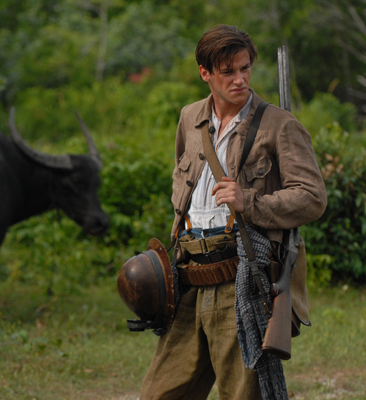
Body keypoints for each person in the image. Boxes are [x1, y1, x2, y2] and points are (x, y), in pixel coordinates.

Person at [138, 25, 327, 400]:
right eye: (228, 71)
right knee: (158, 394)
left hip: (242, 279)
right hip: (189, 279)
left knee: (243, 395)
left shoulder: (280, 125)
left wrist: (250, 202)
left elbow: (312, 197)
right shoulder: (189, 118)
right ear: (205, 73)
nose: (240, 79)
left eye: (245, 69)